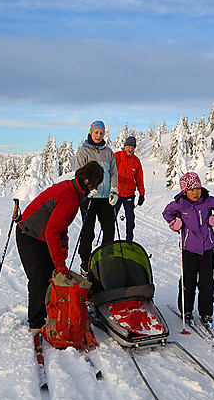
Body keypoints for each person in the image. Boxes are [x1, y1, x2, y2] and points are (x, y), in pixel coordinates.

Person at [16, 161, 104, 329]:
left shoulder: (73, 189)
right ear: (88, 181)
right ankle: (36, 323)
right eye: (95, 185)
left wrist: (62, 251)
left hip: (39, 235)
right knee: (39, 280)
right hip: (29, 234)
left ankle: (49, 312)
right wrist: (60, 264)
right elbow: (52, 231)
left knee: (49, 276)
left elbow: (61, 226)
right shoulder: (70, 196)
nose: (95, 189)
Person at [162, 172, 214, 328]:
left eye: (198, 188)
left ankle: (206, 313)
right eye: (192, 190)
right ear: (185, 191)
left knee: (207, 282)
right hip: (188, 248)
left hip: (207, 248)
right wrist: (174, 223)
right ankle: (186, 310)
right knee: (188, 281)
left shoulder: (208, 201)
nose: (196, 192)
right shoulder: (179, 204)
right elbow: (167, 213)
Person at [74, 120, 119, 274]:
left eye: (101, 133)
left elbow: (113, 172)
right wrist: (87, 189)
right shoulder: (83, 152)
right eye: (96, 132)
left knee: (109, 229)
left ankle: (107, 258)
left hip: (106, 198)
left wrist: (114, 189)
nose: (99, 135)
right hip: (90, 198)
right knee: (88, 230)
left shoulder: (108, 152)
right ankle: (85, 261)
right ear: (91, 132)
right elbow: (79, 174)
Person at [113, 136, 146, 242]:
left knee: (130, 218)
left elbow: (139, 179)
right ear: (125, 146)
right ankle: (109, 240)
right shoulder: (116, 156)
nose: (130, 149)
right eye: (128, 146)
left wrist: (142, 194)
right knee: (110, 218)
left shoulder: (136, 161)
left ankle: (129, 241)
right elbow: (108, 172)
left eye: (132, 147)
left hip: (129, 195)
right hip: (116, 194)